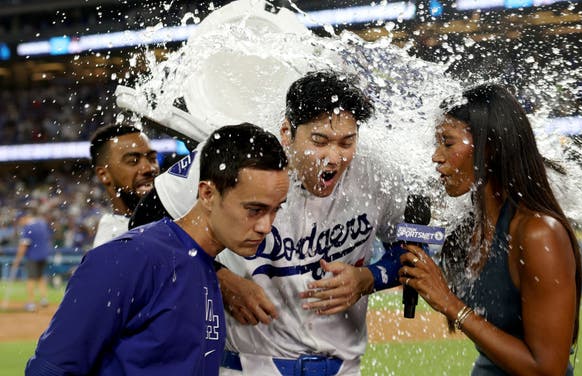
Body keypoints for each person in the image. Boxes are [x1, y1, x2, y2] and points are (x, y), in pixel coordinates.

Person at [130, 70, 407, 375]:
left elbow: (410, 247)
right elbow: (143, 228)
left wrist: (370, 278)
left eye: (347, 143)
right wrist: (216, 277)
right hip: (245, 366)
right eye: (319, 140)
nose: (333, 157)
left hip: (344, 368)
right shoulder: (240, 156)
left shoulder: (378, 174)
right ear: (286, 132)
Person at [25, 124, 290, 376]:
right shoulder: (127, 258)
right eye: (254, 210)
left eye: (275, 209)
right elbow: (50, 369)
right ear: (207, 194)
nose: (266, 226)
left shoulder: (206, 268)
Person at [400, 84, 582, 375]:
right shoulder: (470, 226)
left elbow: (548, 369)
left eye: (448, 143)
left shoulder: (539, 234)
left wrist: (449, 302)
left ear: (491, 148)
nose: (436, 156)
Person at [89, 122, 159, 247]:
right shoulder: (112, 247)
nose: (149, 168)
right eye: (133, 161)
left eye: (152, 158)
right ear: (104, 175)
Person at [10, 207, 53, 312]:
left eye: (20, 220)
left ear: (23, 218)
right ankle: (44, 299)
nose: (20, 223)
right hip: (44, 255)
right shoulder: (41, 224)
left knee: (31, 279)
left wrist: (17, 260)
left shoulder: (27, 228)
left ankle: (30, 303)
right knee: (41, 277)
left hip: (33, 256)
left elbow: (23, 246)